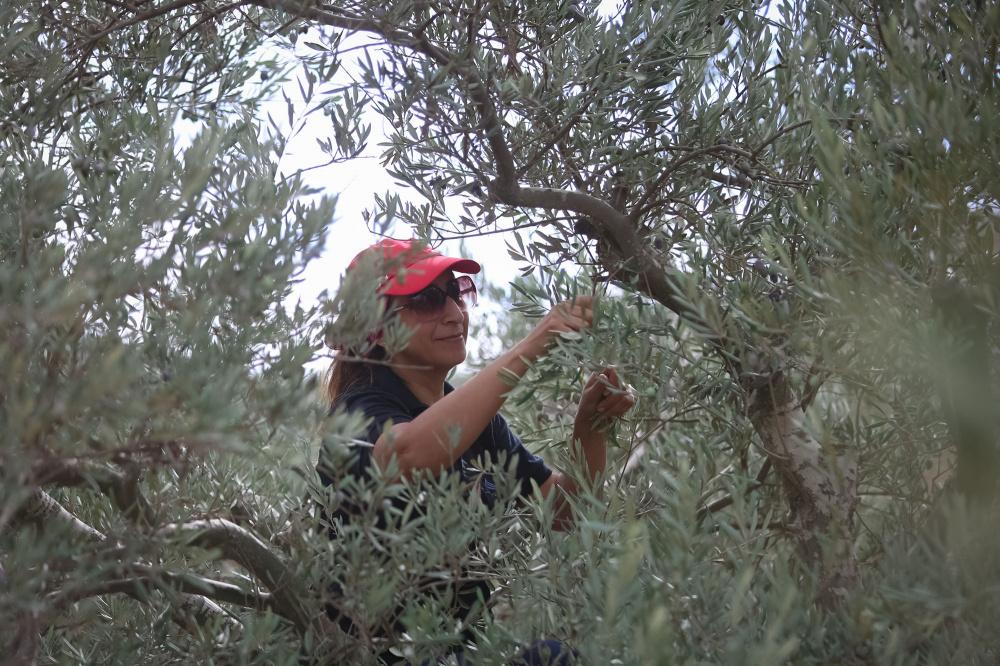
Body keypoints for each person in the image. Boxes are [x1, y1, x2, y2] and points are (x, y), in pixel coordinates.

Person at [317, 239, 635, 665]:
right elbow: (405, 457)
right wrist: (533, 343)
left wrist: (590, 429)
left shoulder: (476, 424)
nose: (455, 313)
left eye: (456, 292)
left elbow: (566, 511)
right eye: (427, 299)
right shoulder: (357, 412)